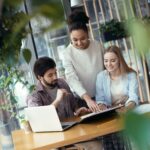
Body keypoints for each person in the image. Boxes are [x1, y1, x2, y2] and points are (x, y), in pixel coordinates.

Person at [26, 57, 102, 150]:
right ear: (39, 77)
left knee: (97, 145)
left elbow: (74, 105)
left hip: (73, 132)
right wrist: (57, 100)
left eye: (55, 73)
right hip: (53, 138)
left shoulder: (61, 83)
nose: (55, 77)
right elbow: (39, 118)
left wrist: (78, 110)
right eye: (50, 75)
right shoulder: (34, 95)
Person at [96, 45, 139, 150]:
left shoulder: (131, 74)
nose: (108, 64)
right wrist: (102, 106)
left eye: (112, 60)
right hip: (110, 113)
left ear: (119, 60)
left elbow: (133, 96)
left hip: (128, 110)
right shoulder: (101, 76)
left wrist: (126, 109)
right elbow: (100, 99)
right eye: (106, 61)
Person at [62, 10, 104, 112]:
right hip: (83, 99)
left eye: (83, 38)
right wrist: (87, 99)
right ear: (70, 37)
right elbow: (72, 78)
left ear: (88, 33)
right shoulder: (67, 53)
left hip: (103, 96)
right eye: (75, 40)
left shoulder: (98, 46)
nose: (79, 43)